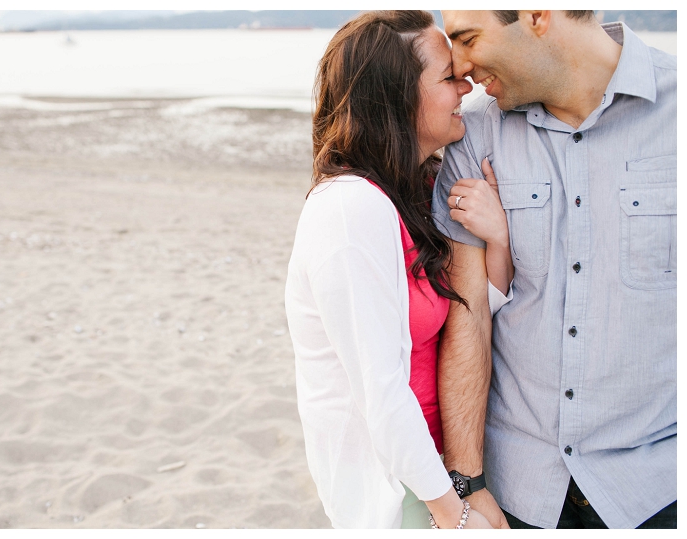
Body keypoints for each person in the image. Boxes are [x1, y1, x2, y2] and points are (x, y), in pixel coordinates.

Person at [431, 10, 676, 529]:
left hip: (658, 487)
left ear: (538, 15)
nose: (459, 64)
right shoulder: (474, 132)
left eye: (468, 38)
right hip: (518, 488)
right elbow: (468, 317)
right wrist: (466, 483)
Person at [284, 10, 510, 529]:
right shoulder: (348, 209)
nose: (467, 85)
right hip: (399, 489)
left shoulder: (410, 193)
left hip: (436, 469)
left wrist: (495, 239)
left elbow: (466, 316)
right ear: (397, 97)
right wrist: (456, 514)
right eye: (449, 77)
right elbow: (380, 391)